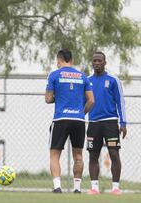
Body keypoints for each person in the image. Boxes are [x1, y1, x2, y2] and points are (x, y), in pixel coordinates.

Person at [45, 49, 94, 193]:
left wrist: (57, 97)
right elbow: (91, 100)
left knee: (54, 154)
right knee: (78, 155)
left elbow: (48, 99)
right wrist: (81, 113)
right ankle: (77, 188)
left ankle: (57, 187)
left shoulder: (54, 75)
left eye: (57, 61)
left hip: (61, 119)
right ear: (72, 60)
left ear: (59, 60)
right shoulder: (83, 76)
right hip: (78, 120)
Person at [87, 51, 127, 195]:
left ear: (105, 62)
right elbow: (82, 102)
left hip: (110, 123)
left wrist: (123, 122)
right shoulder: (87, 80)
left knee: (114, 153)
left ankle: (115, 187)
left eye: (99, 61)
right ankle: (94, 187)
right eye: (94, 61)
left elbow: (120, 101)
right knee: (93, 155)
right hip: (93, 123)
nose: (97, 63)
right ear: (92, 63)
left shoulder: (113, 80)